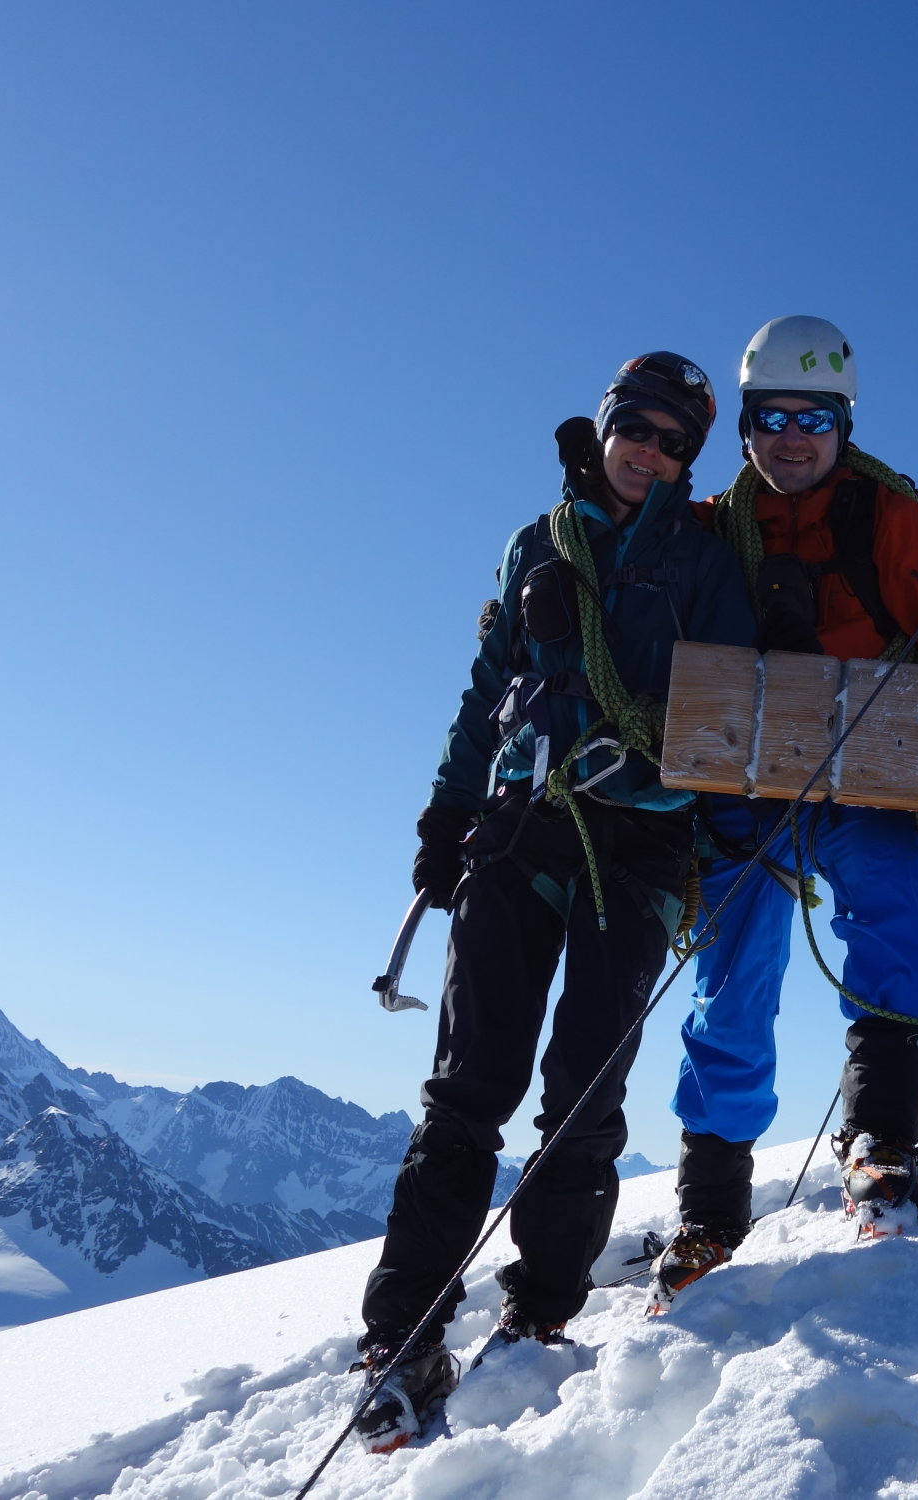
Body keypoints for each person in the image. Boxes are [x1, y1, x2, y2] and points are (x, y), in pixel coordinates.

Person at [352, 352, 755, 1451]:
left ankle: (538, 1313)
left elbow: (732, 711)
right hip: (521, 829)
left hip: (640, 845)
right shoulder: (539, 542)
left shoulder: (704, 564)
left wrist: (694, 804)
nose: (650, 453)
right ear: (608, 424)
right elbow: (489, 690)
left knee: (583, 1092)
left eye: (675, 443)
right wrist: (445, 818)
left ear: (689, 460)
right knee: (467, 1088)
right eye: (639, 429)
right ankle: (401, 1332)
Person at [652, 316, 918, 1305]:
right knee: (731, 979)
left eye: (813, 418)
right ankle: (710, 1210)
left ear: (843, 425)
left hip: (865, 781)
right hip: (747, 789)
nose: (791, 438)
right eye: (771, 417)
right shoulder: (708, 529)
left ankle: (882, 1141)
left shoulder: (882, 522)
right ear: (746, 427)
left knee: (898, 906)